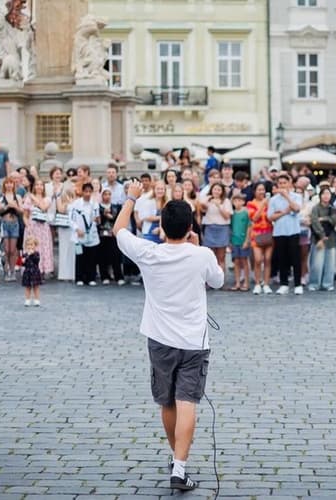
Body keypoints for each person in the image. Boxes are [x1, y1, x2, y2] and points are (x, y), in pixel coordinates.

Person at [112, 180, 224, 492]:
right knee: (187, 400)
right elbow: (218, 281)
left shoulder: (148, 252)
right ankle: (180, 466)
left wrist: (132, 198)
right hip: (193, 342)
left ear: (162, 226)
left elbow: (119, 230)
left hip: (159, 340)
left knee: (168, 402)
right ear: (190, 226)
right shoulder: (201, 255)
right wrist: (199, 246)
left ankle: (176, 456)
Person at [268, 174, 304, 295]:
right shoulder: (273, 200)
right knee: (282, 258)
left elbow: (297, 209)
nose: (282, 185)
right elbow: (270, 216)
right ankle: (284, 284)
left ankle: (298, 284)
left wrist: (287, 197)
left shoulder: (296, 196)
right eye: (280, 183)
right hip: (279, 232)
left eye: (285, 182)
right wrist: (284, 212)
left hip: (293, 231)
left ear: (289, 183)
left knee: (295, 258)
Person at [69, 182, 101, 286]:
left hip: (91, 234)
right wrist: (77, 229)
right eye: (85, 191)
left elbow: (97, 219)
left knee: (91, 257)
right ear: (82, 192)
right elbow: (70, 219)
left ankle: (91, 278)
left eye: (89, 191)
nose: (87, 194)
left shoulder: (94, 204)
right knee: (80, 257)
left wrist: (97, 220)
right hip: (79, 235)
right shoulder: (76, 204)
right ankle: (79, 278)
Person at [308, 186, 336, 291]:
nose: (326, 196)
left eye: (328, 194)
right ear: (320, 196)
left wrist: (324, 219)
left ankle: (328, 284)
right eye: (324, 194)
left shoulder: (333, 208)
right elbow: (315, 221)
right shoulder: (315, 208)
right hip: (318, 239)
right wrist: (322, 235)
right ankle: (314, 283)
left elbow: (335, 220)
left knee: (330, 264)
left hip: (331, 238)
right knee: (317, 263)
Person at [199, 182, 232, 280]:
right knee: (210, 256)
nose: (216, 191)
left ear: (222, 191)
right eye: (214, 189)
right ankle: (209, 280)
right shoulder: (207, 199)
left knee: (221, 257)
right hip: (210, 228)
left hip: (222, 228)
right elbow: (201, 207)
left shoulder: (226, 201)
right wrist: (208, 199)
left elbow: (227, 216)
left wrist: (219, 206)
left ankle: (220, 280)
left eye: (219, 189)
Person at [23, 179, 54, 278]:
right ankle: (32, 270)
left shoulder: (47, 198)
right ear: (34, 186)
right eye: (37, 185)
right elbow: (25, 215)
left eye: (41, 185)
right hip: (32, 226)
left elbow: (43, 207)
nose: (39, 187)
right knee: (33, 248)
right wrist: (28, 226)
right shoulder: (28, 199)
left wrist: (33, 197)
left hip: (43, 227)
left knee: (43, 248)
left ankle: (42, 271)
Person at [247, 182, 273, 295]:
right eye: (259, 190)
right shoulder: (250, 204)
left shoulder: (271, 203)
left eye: (263, 189)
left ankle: (266, 283)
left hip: (269, 233)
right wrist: (263, 204)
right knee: (258, 260)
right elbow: (254, 218)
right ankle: (258, 283)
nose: (261, 192)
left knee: (267, 259)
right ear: (254, 191)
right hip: (256, 234)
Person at [0, 177, 23, 281]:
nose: (9, 185)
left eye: (11, 183)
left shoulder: (17, 196)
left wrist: (15, 206)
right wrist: (7, 206)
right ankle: (6, 271)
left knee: (13, 250)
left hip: (14, 223)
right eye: (7, 183)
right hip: (4, 223)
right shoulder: (1, 196)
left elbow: (21, 211)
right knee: (6, 249)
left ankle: (12, 271)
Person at [229, 193, 251, 291]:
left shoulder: (246, 213)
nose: (237, 203)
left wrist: (247, 240)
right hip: (234, 240)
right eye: (235, 201)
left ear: (243, 202)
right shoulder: (232, 214)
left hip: (243, 240)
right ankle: (237, 282)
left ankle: (246, 282)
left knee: (244, 261)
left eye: (239, 201)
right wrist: (230, 241)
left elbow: (249, 227)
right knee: (236, 261)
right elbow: (230, 228)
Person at [21, 236, 42, 306]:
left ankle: (37, 299)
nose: (30, 246)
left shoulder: (36, 253)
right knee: (28, 287)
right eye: (28, 245)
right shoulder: (25, 254)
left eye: (32, 244)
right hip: (27, 272)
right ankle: (27, 299)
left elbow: (37, 261)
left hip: (35, 272)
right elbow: (23, 264)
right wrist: (23, 261)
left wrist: (32, 254)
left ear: (35, 245)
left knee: (36, 287)